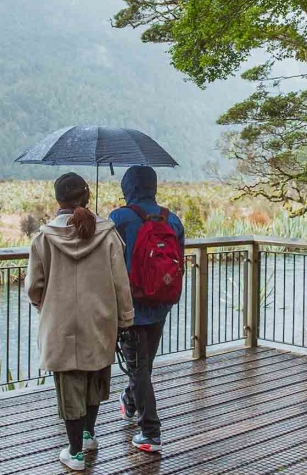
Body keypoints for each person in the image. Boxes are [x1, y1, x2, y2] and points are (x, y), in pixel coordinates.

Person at [26, 172, 135, 472]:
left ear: (58, 199)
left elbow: (34, 286)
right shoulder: (108, 234)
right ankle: (88, 436)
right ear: (86, 197)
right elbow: (120, 283)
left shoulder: (45, 237)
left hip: (60, 324)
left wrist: (43, 305)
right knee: (95, 380)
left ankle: (74, 452)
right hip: (99, 320)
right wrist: (125, 319)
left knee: (70, 384)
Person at [108, 165, 186, 453]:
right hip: (162, 302)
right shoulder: (172, 219)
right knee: (143, 365)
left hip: (131, 305)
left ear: (128, 187)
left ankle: (150, 431)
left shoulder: (120, 218)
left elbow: (108, 259)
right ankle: (129, 402)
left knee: (138, 367)